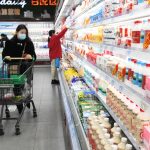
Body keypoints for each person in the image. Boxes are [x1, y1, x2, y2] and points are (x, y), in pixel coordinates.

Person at [2, 24, 36, 114]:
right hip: (13, 67)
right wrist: (6, 57)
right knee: (16, 86)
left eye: (25, 33)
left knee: (23, 85)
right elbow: (4, 55)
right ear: (17, 32)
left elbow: (33, 56)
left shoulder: (28, 42)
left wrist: (30, 56)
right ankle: (19, 105)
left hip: (25, 67)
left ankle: (25, 100)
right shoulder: (10, 42)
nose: (23, 34)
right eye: (21, 32)